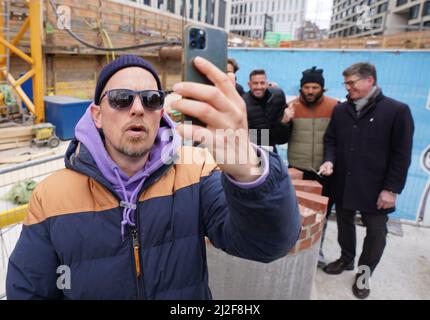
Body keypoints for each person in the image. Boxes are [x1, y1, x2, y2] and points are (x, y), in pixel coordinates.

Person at [6, 55, 301, 299]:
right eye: (121, 99)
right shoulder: (52, 195)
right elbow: (29, 291)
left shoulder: (195, 171)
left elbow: (268, 245)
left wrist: (249, 171)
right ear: (97, 114)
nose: (137, 109)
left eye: (151, 99)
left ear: (160, 112)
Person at [319, 62, 414, 299]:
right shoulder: (341, 110)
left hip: (377, 188)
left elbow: (401, 154)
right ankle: (346, 258)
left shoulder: (397, 111)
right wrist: (329, 160)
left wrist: (391, 189)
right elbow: (330, 139)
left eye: (351, 83)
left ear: (369, 80)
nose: (348, 88)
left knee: (376, 234)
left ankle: (364, 274)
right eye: (346, 83)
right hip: (343, 182)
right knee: (343, 224)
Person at [282, 66, 339, 268]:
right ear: (301, 87)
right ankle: (293, 244)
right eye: (307, 87)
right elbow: (280, 137)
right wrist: (284, 121)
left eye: (315, 87)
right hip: (299, 168)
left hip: (326, 170)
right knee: (296, 211)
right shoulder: (292, 106)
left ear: (322, 88)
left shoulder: (335, 106)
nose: (311, 91)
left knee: (323, 212)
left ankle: (318, 248)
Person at [242, 69, 290, 154]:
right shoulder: (243, 102)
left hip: (271, 147)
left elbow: (282, 137)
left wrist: (284, 123)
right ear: (249, 85)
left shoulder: (277, 96)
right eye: (255, 83)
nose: (259, 87)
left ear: (267, 84)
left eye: (262, 83)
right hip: (252, 149)